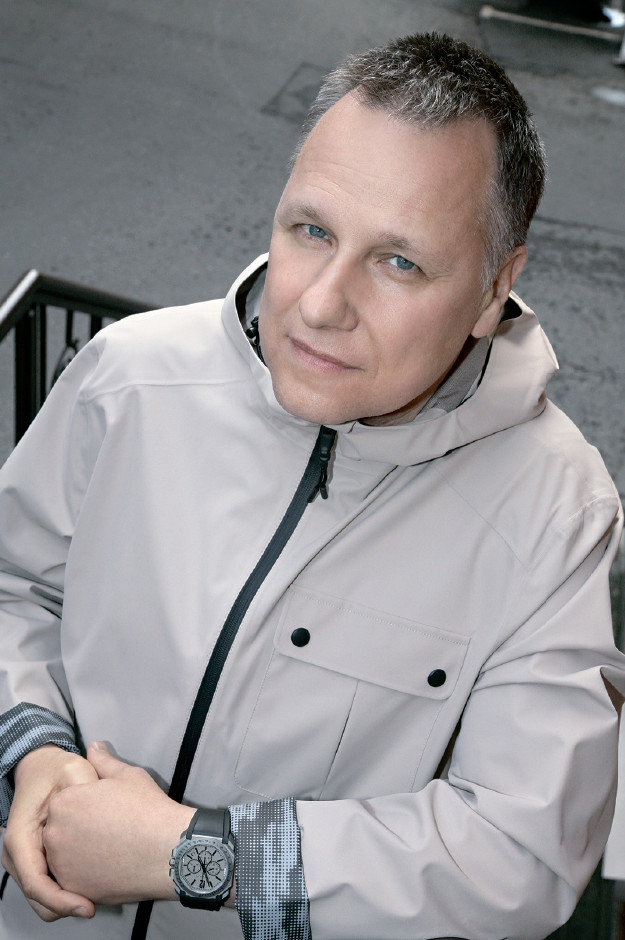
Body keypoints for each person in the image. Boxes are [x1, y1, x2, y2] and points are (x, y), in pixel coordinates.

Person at [0, 31, 623, 940]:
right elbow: (14, 586)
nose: (321, 305)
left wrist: (196, 854)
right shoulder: (127, 375)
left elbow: (519, 853)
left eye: (399, 262)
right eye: (311, 231)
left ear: (496, 287)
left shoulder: (556, 513)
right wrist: (32, 748)